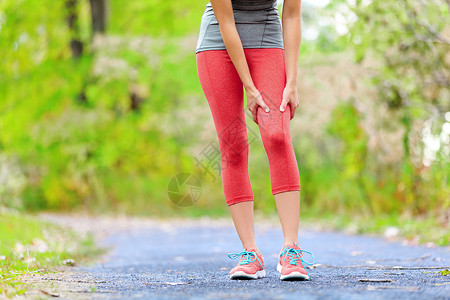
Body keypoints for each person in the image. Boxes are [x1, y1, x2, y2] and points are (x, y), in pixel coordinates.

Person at [195, 0, 315, 281]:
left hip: (267, 37)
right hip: (218, 42)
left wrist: (292, 82)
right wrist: (249, 86)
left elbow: (293, 13)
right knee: (233, 145)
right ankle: (250, 253)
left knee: (277, 134)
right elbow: (226, 22)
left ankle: (291, 250)